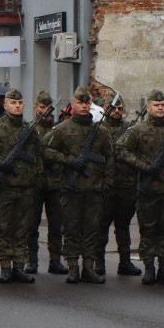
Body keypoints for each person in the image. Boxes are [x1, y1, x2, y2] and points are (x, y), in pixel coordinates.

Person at [116, 89, 164, 285]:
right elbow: (121, 150)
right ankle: (149, 268)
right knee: (148, 230)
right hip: (147, 190)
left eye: (162, 105)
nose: (160, 108)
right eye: (156, 105)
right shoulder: (138, 131)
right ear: (148, 107)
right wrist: (144, 167)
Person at [42, 85, 112, 284]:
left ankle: (88, 267)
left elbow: (109, 158)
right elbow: (46, 151)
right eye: (80, 102)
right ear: (73, 104)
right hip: (71, 188)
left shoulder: (101, 131)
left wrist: (107, 183)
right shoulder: (63, 129)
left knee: (92, 230)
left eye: (86, 102)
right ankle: (73, 267)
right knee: (72, 229)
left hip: (95, 189)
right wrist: (69, 161)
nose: (83, 106)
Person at [0, 88, 43, 283]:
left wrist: (36, 177)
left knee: (22, 229)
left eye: (20, 103)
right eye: (13, 103)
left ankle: (19, 267)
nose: (17, 106)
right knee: (3, 228)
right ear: (6, 105)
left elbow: (38, 157)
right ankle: (5, 267)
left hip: (26, 187)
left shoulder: (30, 129)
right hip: (4, 187)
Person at [95, 96, 142, 276]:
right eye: (113, 108)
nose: (116, 111)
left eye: (119, 108)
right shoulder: (99, 130)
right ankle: (99, 262)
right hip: (105, 185)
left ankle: (125, 261)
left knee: (123, 225)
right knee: (102, 224)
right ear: (106, 109)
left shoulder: (130, 130)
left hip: (126, 184)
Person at [26, 90, 67, 275]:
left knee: (56, 224)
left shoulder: (58, 129)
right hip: (35, 182)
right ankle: (32, 261)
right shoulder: (29, 129)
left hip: (55, 182)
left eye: (48, 108)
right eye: (42, 107)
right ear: (36, 107)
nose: (45, 111)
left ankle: (55, 260)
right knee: (31, 224)